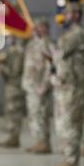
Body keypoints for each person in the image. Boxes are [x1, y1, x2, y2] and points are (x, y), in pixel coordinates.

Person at [50, 2, 84, 166]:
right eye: (65, 13)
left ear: (77, 15)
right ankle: (67, 158)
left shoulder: (77, 34)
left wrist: (53, 50)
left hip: (73, 85)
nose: (64, 16)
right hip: (64, 85)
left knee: (71, 123)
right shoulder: (68, 33)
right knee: (63, 123)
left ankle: (72, 161)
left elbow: (61, 51)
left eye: (68, 14)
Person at [22, 17, 54, 154]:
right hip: (31, 85)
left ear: (45, 29)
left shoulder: (47, 45)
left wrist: (45, 85)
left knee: (41, 114)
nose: (36, 29)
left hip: (40, 86)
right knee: (34, 115)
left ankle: (44, 143)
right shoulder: (32, 44)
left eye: (40, 27)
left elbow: (50, 67)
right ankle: (38, 141)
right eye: (36, 27)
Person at [0, 34, 25, 148]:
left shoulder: (18, 52)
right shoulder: (11, 51)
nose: (8, 38)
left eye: (11, 36)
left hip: (15, 86)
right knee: (10, 112)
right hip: (10, 86)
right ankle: (12, 137)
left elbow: (14, 72)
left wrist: (2, 66)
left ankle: (14, 138)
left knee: (14, 113)